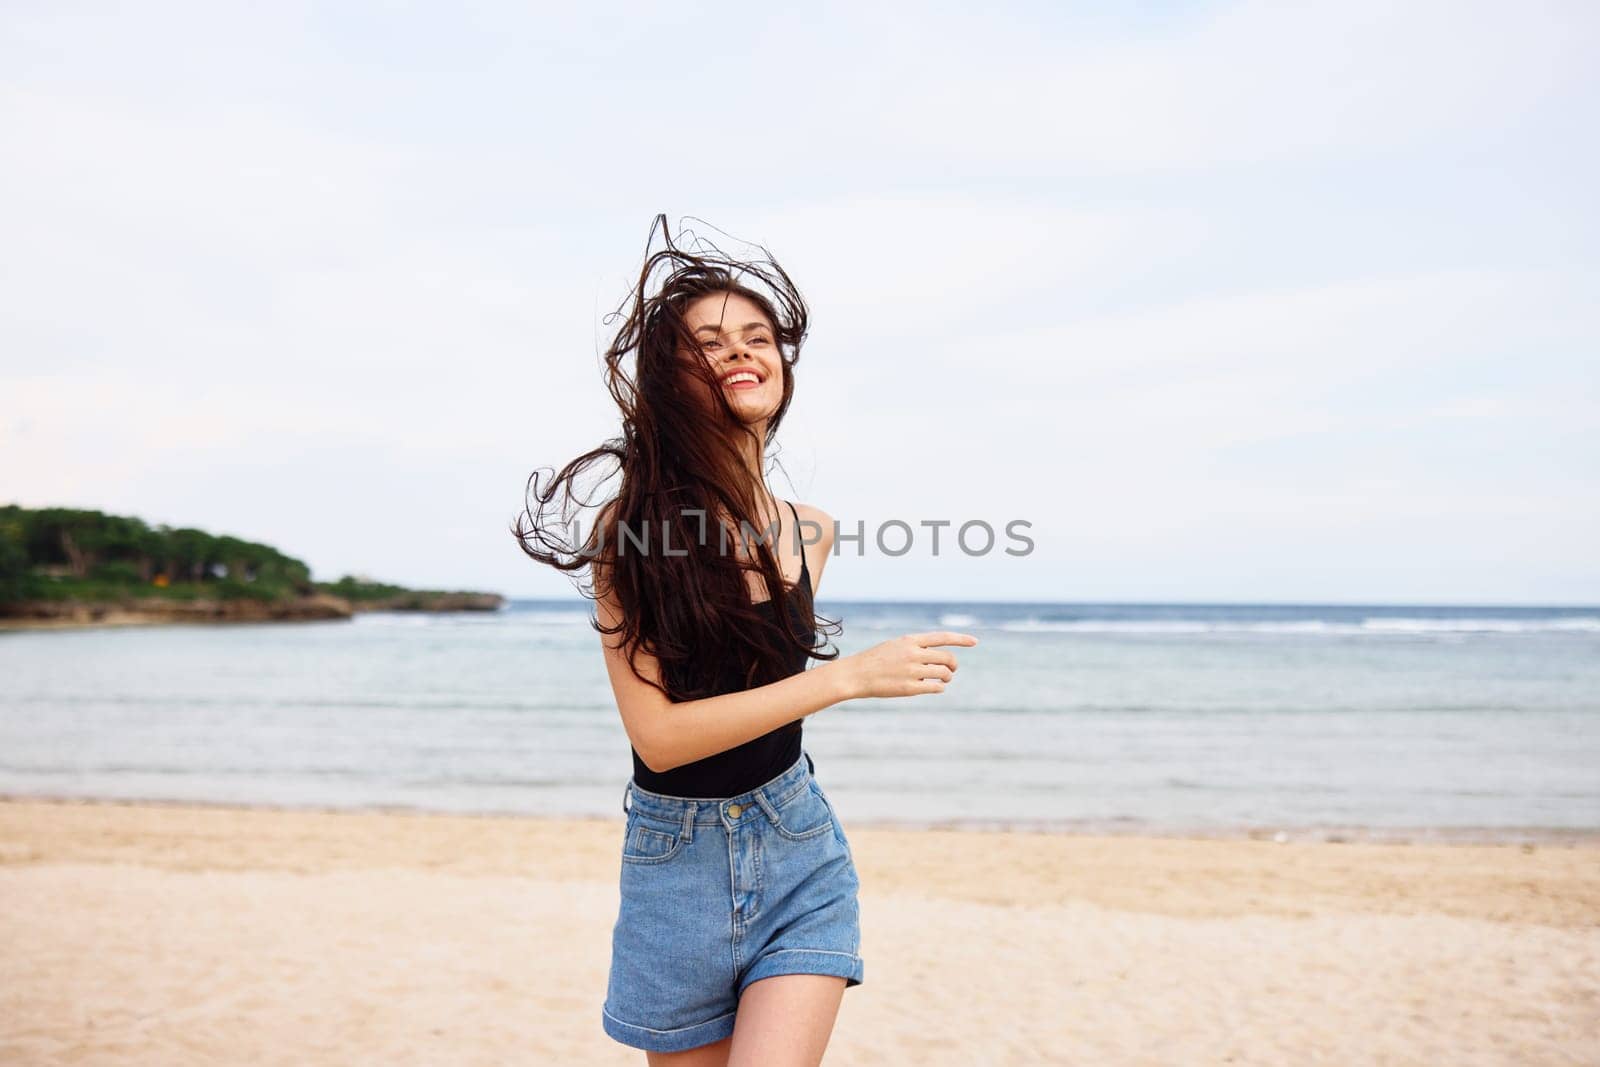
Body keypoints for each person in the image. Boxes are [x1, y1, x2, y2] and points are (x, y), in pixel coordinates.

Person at [513, 215, 977, 1065]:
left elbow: (763, 699)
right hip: (676, 865)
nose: (742, 351)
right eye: (711, 342)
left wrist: (837, 685)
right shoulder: (636, 531)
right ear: (671, 377)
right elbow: (658, 737)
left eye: (757, 336)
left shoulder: (812, 531)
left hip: (799, 845)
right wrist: (846, 679)